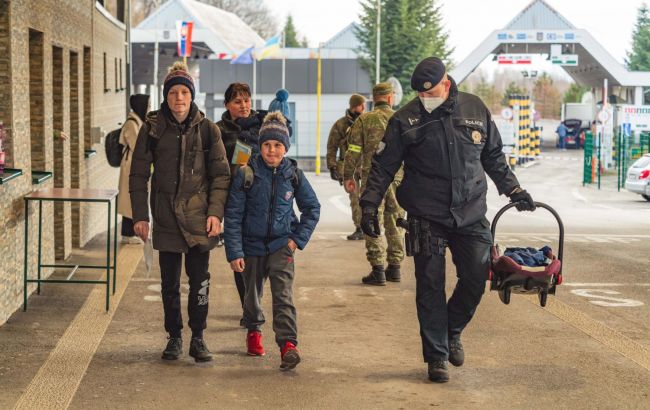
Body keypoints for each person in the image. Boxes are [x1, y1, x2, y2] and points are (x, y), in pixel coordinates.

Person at [359, 57, 536, 383]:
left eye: (432, 93)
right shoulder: (406, 118)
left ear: (446, 82)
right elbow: (383, 166)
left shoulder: (474, 107)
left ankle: (451, 330)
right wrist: (369, 206)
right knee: (429, 285)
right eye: (421, 96)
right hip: (427, 214)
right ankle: (436, 356)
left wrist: (514, 189)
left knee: (476, 275)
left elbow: (493, 156)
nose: (426, 100)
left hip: (470, 212)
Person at [130, 62, 231, 363]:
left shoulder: (209, 130)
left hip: (200, 218)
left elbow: (221, 175)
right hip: (166, 217)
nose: (178, 98)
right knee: (169, 285)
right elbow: (137, 176)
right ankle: (174, 336)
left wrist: (215, 212)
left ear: (191, 95)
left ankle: (198, 337)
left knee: (200, 281)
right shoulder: (152, 128)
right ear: (166, 96)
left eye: (184, 92)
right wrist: (140, 216)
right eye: (173, 92)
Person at [224, 112, 320, 371]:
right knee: (251, 296)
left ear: (286, 147)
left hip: (281, 245)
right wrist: (235, 252)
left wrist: (296, 240)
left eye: (278, 145)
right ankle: (254, 331)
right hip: (251, 246)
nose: (272, 150)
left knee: (283, 296)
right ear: (260, 145)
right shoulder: (247, 173)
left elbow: (312, 208)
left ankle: (288, 345)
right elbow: (232, 215)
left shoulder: (293, 174)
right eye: (267, 144)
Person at [216, 82, 268, 325]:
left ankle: (253, 300)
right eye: (237, 101)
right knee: (241, 256)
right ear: (227, 105)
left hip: (264, 201)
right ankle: (248, 306)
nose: (244, 105)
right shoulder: (218, 131)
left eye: (247, 100)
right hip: (235, 202)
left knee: (264, 257)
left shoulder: (265, 126)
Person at [343, 83, 405, 284]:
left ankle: (377, 269)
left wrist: (348, 177)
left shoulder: (364, 119)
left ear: (374, 98)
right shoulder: (401, 119)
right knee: (395, 221)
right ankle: (395, 268)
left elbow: (352, 151)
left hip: (372, 181)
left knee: (371, 221)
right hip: (397, 179)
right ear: (390, 98)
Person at [327, 94, 366, 240]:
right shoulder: (341, 125)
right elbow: (332, 147)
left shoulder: (366, 121)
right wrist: (332, 167)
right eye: (361, 105)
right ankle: (359, 227)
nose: (363, 108)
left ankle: (369, 226)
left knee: (369, 197)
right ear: (355, 106)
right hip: (349, 167)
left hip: (366, 166)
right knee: (355, 198)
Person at [118, 94, 150, 244]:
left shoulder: (138, 122)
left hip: (133, 165)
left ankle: (130, 233)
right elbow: (138, 145)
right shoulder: (132, 123)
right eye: (147, 105)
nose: (149, 108)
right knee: (129, 201)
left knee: (131, 201)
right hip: (130, 166)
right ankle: (128, 234)